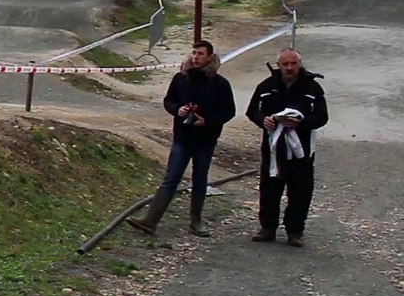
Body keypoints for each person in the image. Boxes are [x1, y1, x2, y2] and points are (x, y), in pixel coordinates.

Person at [127, 40, 236, 237]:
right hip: (183, 138)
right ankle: (150, 221)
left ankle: (196, 222)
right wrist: (178, 110)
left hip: (205, 139)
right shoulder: (180, 78)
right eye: (194, 52)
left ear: (210, 57)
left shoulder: (220, 84)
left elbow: (229, 111)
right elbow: (168, 100)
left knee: (200, 179)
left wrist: (207, 121)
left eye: (200, 53)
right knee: (171, 178)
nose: (196, 57)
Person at [244, 48, 328, 247]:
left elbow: (322, 117)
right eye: (285, 64)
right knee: (269, 189)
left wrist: (301, 122)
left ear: (300, 63)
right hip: (273, 149)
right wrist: (263, 120)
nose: (290, 68)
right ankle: (267, 228)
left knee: (300, 192)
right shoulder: (266, 86)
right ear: (278, 65)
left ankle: (295, 231)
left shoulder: (312, 88)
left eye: (293, 63)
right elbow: (252, 111)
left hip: (302, 151)